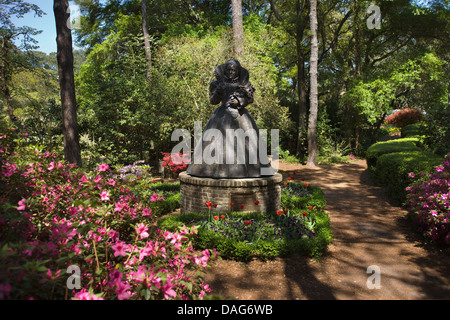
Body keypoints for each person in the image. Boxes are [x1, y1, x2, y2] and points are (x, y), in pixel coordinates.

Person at [187, 59, 274, 178]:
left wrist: (238, 101)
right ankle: (210, 170)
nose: (231, 72)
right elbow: (213, 101)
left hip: (241, 116)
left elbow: (250, 99)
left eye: (233, 70)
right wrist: (218, 91)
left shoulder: (244, 84)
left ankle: (252, 170)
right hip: (221, 116)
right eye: (228, 70)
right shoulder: (217, 83)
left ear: (238, 71)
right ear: (224, 70)